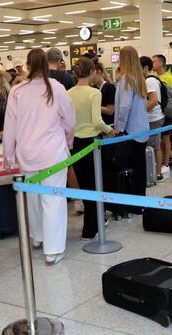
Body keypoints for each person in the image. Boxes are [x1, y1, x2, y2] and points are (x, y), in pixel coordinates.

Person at [4, 49, 75, 266]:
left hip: (27, 155)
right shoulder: (56, 88)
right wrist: (68, 141)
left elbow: (10, 128)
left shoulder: (17, 91)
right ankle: (53, 250)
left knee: (33, 199)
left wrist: (8, 156)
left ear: (27, 65)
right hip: (54, 153)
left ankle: (38, 237)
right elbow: (70, 121)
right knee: (53, 200)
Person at [67, 57, 113, 240]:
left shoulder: (68, 93)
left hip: (74, 143)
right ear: (93, 72)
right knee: (95, 185)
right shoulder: (94, 93)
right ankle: (91, 228)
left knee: (84, 186)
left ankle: (90, 227)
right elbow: (97, 120)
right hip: (91, 143)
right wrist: (110, 131)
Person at [113, 46, 149, 212]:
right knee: (140, 166)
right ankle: (139, 202)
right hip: (142, 129)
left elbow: (124, 107)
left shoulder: (126, 79)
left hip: (130, 131)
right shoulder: (139, 78)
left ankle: (131, 203)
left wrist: (119, 128)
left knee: (130, 168)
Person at [141, 56, 167, 181]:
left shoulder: (148, 81)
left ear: (145, 68)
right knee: (155, 145)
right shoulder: (154, 79)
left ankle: (157, 173)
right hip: (156, 116)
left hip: (153, 118)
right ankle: (156, 172)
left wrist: (140, 111)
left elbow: (154, 100)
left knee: (154, 146)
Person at [152, 54, 172, 172]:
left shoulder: (169, 78)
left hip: (166, 112)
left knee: (165, 138)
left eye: (154, 62)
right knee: (159, 139)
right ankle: (170, 157)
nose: (153, 64)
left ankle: (166, 164)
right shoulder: (153, 77)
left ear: (161, 63)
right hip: (157, 112)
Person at [94, 60, 115, 125]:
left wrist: (93, 106)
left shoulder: (109, 87)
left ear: (99, 72)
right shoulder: (93, 88)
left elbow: (110, 111)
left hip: (109, 125)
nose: (90, 78)